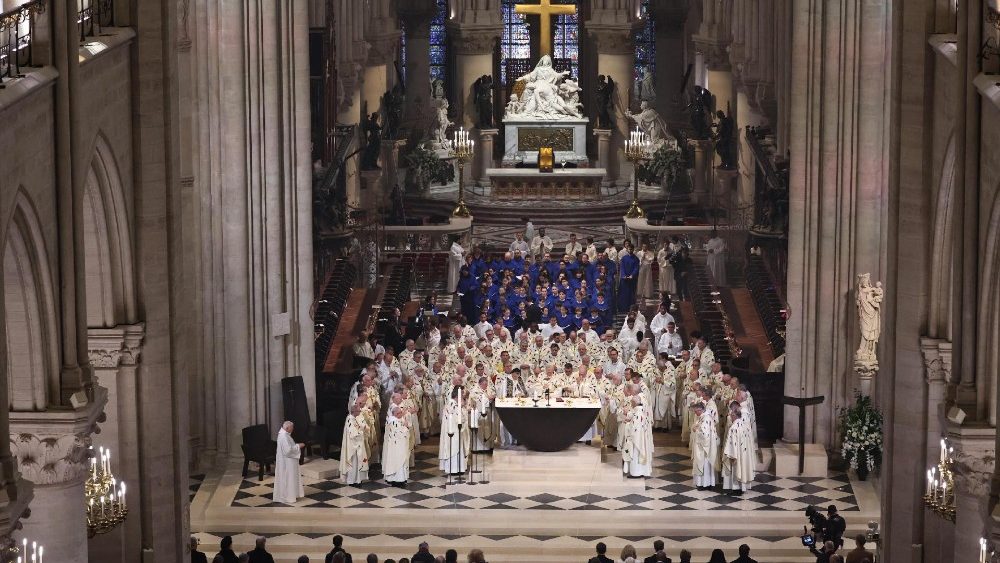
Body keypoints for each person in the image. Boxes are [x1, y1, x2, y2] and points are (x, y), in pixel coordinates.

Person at [722, 405, 756, 494]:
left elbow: (732, 443)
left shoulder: (734, 428)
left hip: (736, 454)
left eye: (730, 415)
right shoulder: (744, 425)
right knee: (742, 469)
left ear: (734, 416)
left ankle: (736, 489)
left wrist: (732, 455)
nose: (730, 417)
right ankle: (741, 488)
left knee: (736, 469)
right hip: (743, 454)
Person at [273, 421, 304, 504]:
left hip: (286, 462)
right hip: (287, 463)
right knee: (288, 479)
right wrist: (298, 446)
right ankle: (288, 497)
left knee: (288, 479)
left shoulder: (283, 435)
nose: (293, 429)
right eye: (292, 428)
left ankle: (290, 496)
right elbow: (287, 451)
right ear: (287, 428)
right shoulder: (284, 436)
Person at [690, 402, 720, 490]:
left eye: (696, 411)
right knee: (705, 465)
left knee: (703, 464)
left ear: (700, 410)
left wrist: (696, 430)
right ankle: (707, 483)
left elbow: (704, 434)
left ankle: (703, 484)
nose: (695, 413)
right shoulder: (704, 417)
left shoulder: (706, 418)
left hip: (704, 448)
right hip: (705, 447)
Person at [382, 405, 412, 486]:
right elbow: (400, 433)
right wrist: (406, 426)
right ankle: (398, 480)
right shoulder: (394, 422)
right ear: (395, 414)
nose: (401, 414)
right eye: (399, 413)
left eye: (401, 412)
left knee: (396, 462)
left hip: (395, 445)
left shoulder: (394, 420)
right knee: (398, 461)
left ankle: (398, 479)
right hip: (397, 446)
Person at [340, 405, 370, 484]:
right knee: (353, 464)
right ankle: (352, 480)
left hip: (357, 444)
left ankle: (357, 480)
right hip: (353, 446)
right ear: (354, 411)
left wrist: (362, 428)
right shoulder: (350, 419)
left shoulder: (354, 419)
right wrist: (361, 431)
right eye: (359, 411)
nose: (360, 412)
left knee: (358, 463)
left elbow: (358, 427)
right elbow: (353, 434)